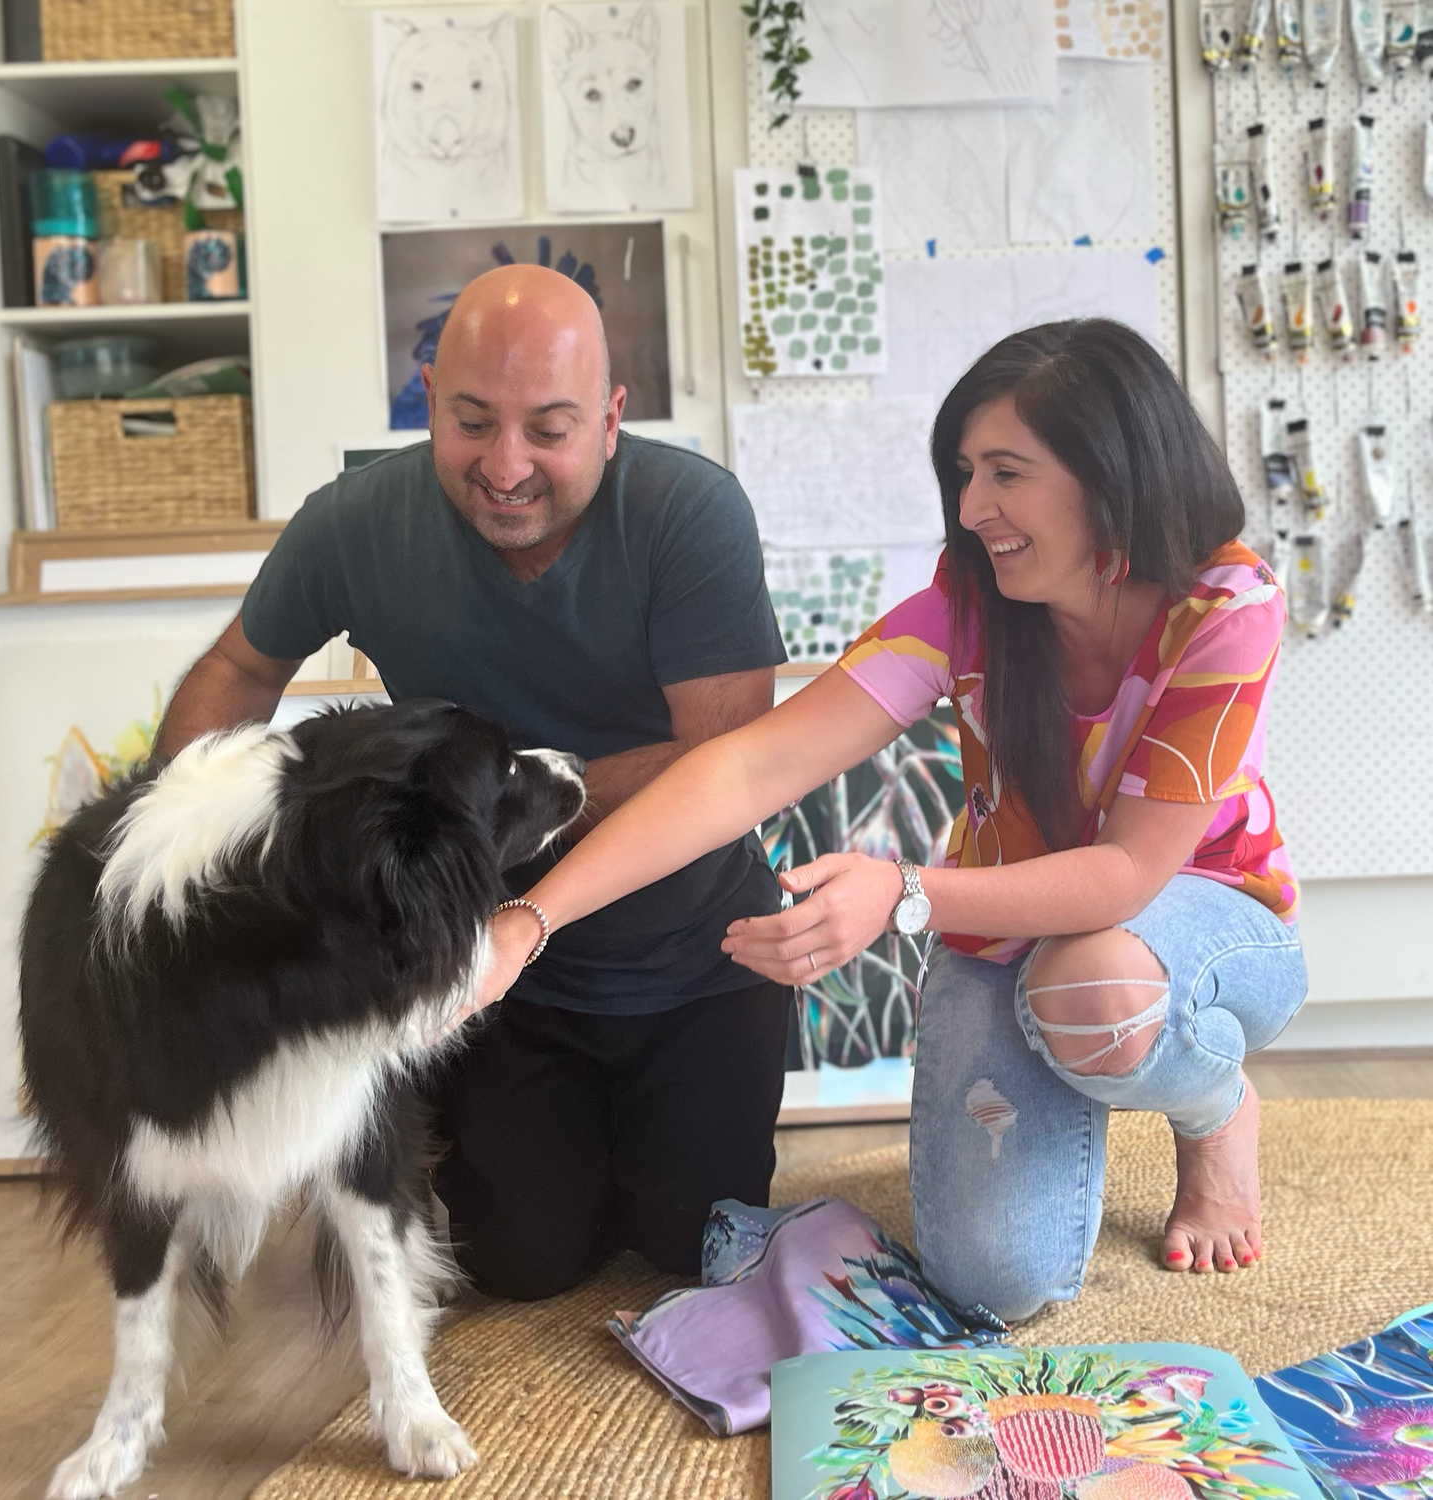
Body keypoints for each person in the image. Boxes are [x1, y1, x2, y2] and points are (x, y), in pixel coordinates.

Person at [477, 319, 1308, 1324]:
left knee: (1092, 985)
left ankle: (1212, 1104)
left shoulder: (1226, 605)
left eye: (1006, 472)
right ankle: (1085, 1065)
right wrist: (532, 918)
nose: (972, 507)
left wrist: (904, 893)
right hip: (1014, 934)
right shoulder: (972, 602)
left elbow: (1128, 874)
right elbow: (749, 765)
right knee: (998, 1286)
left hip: (1205, 919)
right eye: (964, 473)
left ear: (1110, 474)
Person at [152, 263, 794, 1299]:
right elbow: (236, 668)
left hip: (696, 967)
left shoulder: (691, 513)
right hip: (490, 985)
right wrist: (172, 831)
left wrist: (507, 805)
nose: (506, 466)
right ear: (427, 401)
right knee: (521, 1265)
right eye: (472, 422)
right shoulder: (354, 522)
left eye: (549, 428)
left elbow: (726, 756)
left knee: (695, 1257)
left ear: (612, 417)